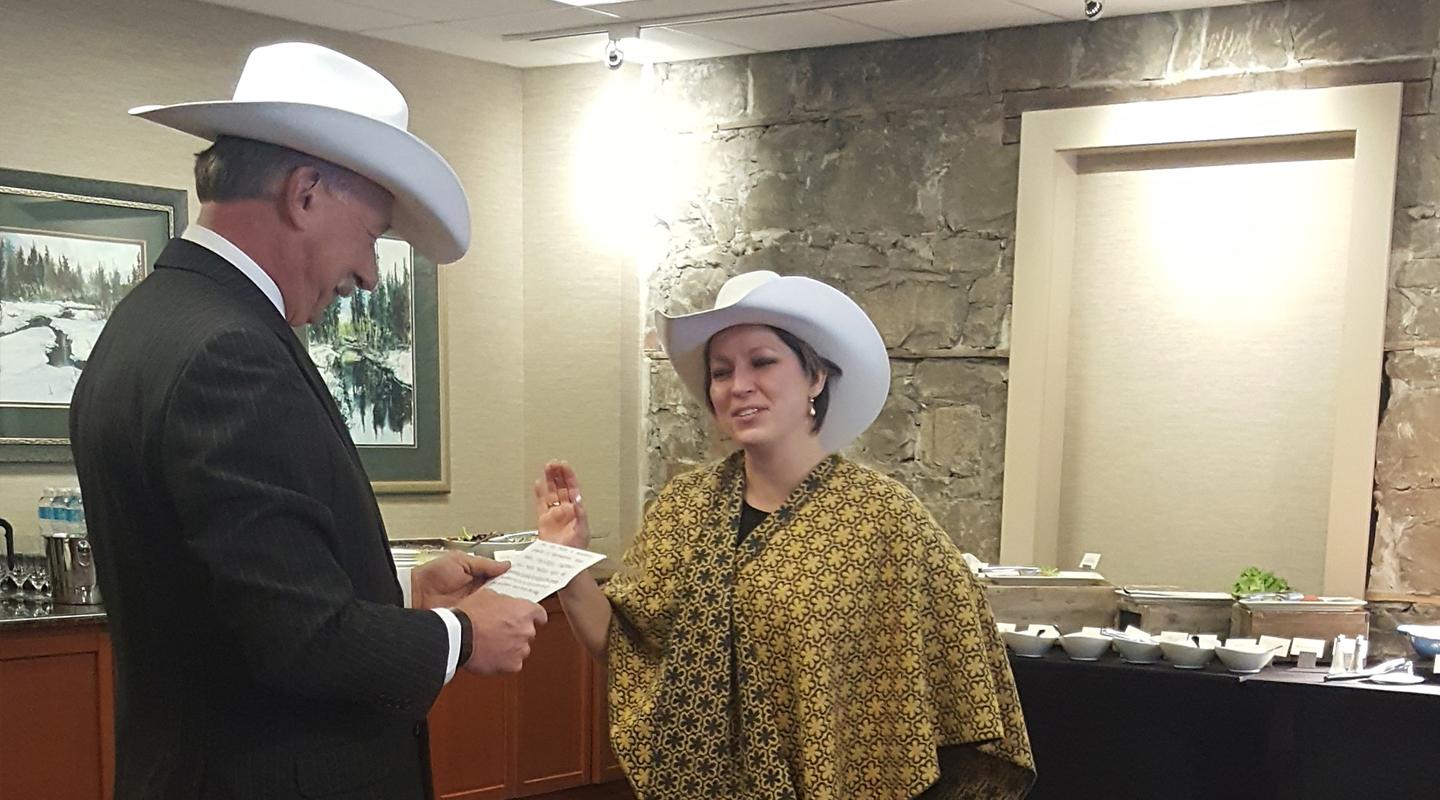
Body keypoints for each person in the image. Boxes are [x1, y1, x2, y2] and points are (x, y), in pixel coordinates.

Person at [69, 42, 546, 800]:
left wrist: (401, 596)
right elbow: (303, 643)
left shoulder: (149, 323)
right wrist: (462, 636)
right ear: (306, 193)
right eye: (374, 236)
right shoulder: (231, 354)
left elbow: (235, 597)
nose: (370, 274)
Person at [534, 270, 1035, 799]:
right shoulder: (685, 507)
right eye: (721, 371)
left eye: (763, 361)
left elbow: (965, 677)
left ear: (815, 376)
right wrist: (568, 563)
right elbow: (623, 650)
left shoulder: (883, 519)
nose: (739, 385)